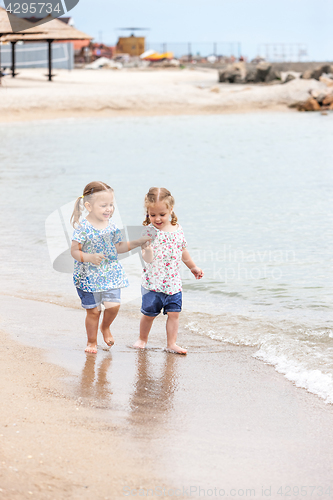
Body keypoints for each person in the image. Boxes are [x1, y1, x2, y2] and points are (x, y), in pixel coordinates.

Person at [71, 181, 150, 354]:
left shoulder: (112, 226)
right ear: (89, 206)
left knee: (113, 306)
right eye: (104, 205)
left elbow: (118, 247)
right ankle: (92, 342)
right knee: (93, 311)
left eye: (111, 205)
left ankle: (105, 327)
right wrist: (89, 257)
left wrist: (137, 242)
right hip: (88, 277)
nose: (109, 209)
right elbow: (74, 252)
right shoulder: (83, 228)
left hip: (110, 274)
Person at [133, 187, 204, 355]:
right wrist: (148, 250)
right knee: (149, 314)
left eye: (162, 214)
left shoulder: (178, 229)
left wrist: (193, 267)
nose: (157, 218)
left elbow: (183, 251)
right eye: (152, 215)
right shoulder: (148, 232)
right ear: (147, 213)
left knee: (174, 314)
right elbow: (147, 258)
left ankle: (171, 343)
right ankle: (142, 338)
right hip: (153, 284)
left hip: (173, 283)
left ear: (171, 210)